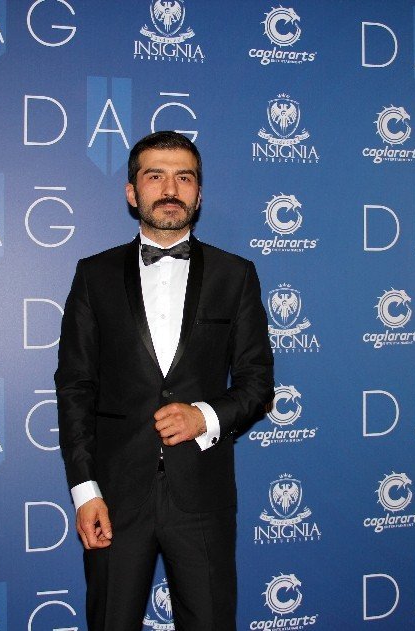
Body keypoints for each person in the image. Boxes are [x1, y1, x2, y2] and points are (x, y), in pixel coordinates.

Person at [55, 131, 274, 631]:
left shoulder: (235, 275)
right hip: (113, 497)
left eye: (184, 177)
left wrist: (205, 416)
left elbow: (258, 382)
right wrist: (85, 491)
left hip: (202, 497)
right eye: (155, 176)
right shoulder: (94, 275)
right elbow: (75, 389)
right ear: (132, 192)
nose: (170, 189)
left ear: (199, 194)